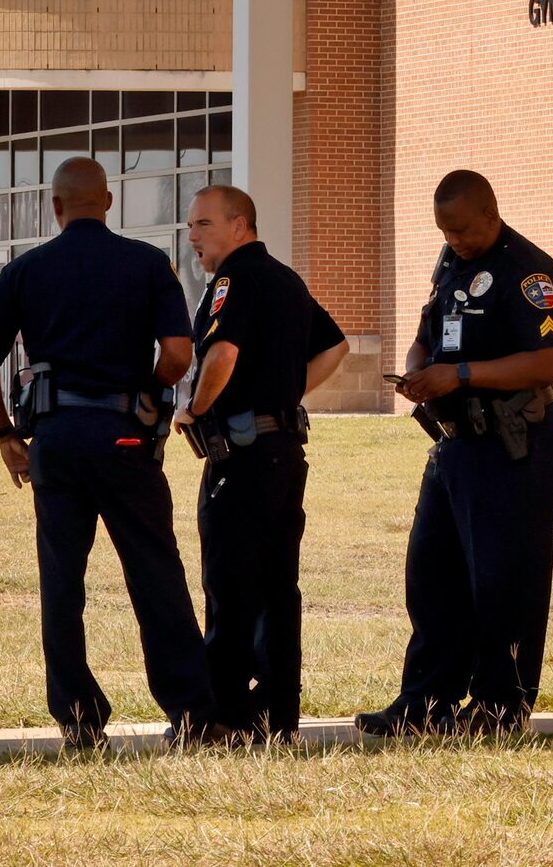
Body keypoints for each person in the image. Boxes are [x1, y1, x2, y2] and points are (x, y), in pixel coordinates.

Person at [0, 155, 215, 749]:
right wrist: (148, 396)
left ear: (56, 206)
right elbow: (179, 354)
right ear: (107, 203)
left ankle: (78, 719)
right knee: (155, 572)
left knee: (62, 582)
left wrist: (6, 436)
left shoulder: (26, 270)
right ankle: (192, 714)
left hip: (53, 441)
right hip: (125, 436)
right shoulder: (147, 263)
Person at [357, 169, 553, 737]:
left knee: (504, 582)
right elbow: (427, 333)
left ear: (490, 212)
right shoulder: (451, 262)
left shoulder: (527, 269)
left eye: (463, 231)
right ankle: (427, 704)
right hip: (455, 446)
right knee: (432, 577)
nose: (455, 241)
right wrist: (417, 368)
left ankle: (500, 709)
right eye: (445, 232)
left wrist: (460, 374)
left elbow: (542, 362)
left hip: (514, 445)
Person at [177, 183, 349, 743]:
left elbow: (223, 354)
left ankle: (224, 719)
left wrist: (193, 411)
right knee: (278, 590)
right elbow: (336, 347)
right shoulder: (283, 277)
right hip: (282, 455)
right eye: (191, 225)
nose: (193, 235)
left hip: (242, 458)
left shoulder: (234, 279)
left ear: (239, 226)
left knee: (230, 585)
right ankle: (278, 719)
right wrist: (283, 393)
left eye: (204, 223)